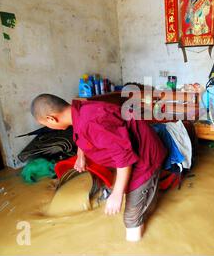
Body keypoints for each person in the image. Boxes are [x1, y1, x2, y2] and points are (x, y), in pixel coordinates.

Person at [30, 94, 167, 242]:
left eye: (46, 125)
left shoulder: (92, 121)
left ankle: (136, 247)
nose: (49, 127)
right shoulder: (78, 110)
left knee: (131, 219)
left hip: (145, 158)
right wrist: (81, 156)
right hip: (134, 150)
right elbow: (83, 134)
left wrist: (117, 194)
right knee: (135, 195)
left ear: (51, 119)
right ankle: (146, 201)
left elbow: (124, 158)